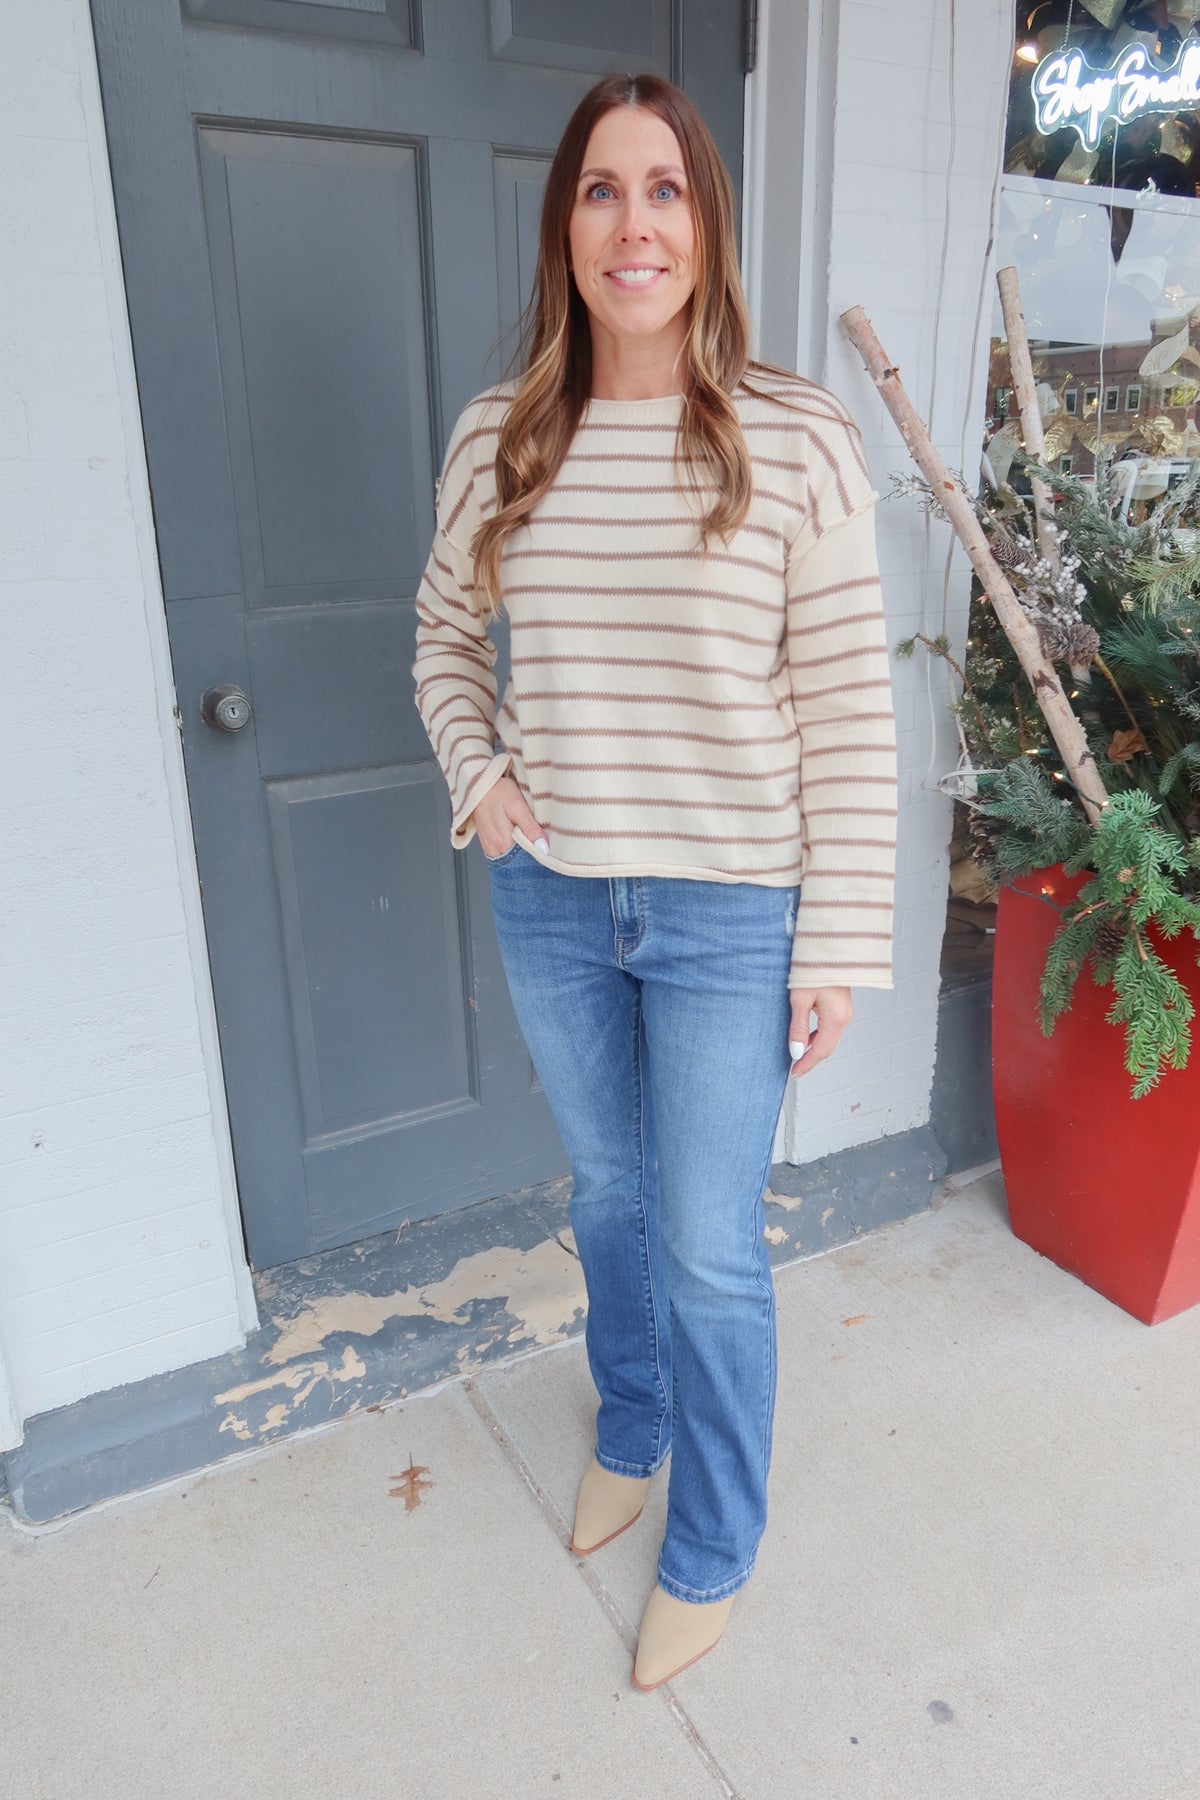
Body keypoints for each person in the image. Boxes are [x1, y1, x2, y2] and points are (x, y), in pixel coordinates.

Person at [411, 71, 898, 1691]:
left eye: (666, 189)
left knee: (706, 1241)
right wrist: (483, 788)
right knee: (609, 1198)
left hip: (730, 913)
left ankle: (715, 1538)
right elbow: (441, 640)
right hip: (553, 898)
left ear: (708, 224)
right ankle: (633, 1422)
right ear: (566, 223)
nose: (636, 225)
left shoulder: (795, 437)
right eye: (603, 190)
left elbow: (849, 711)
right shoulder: (502, 440)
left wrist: (833, 941)